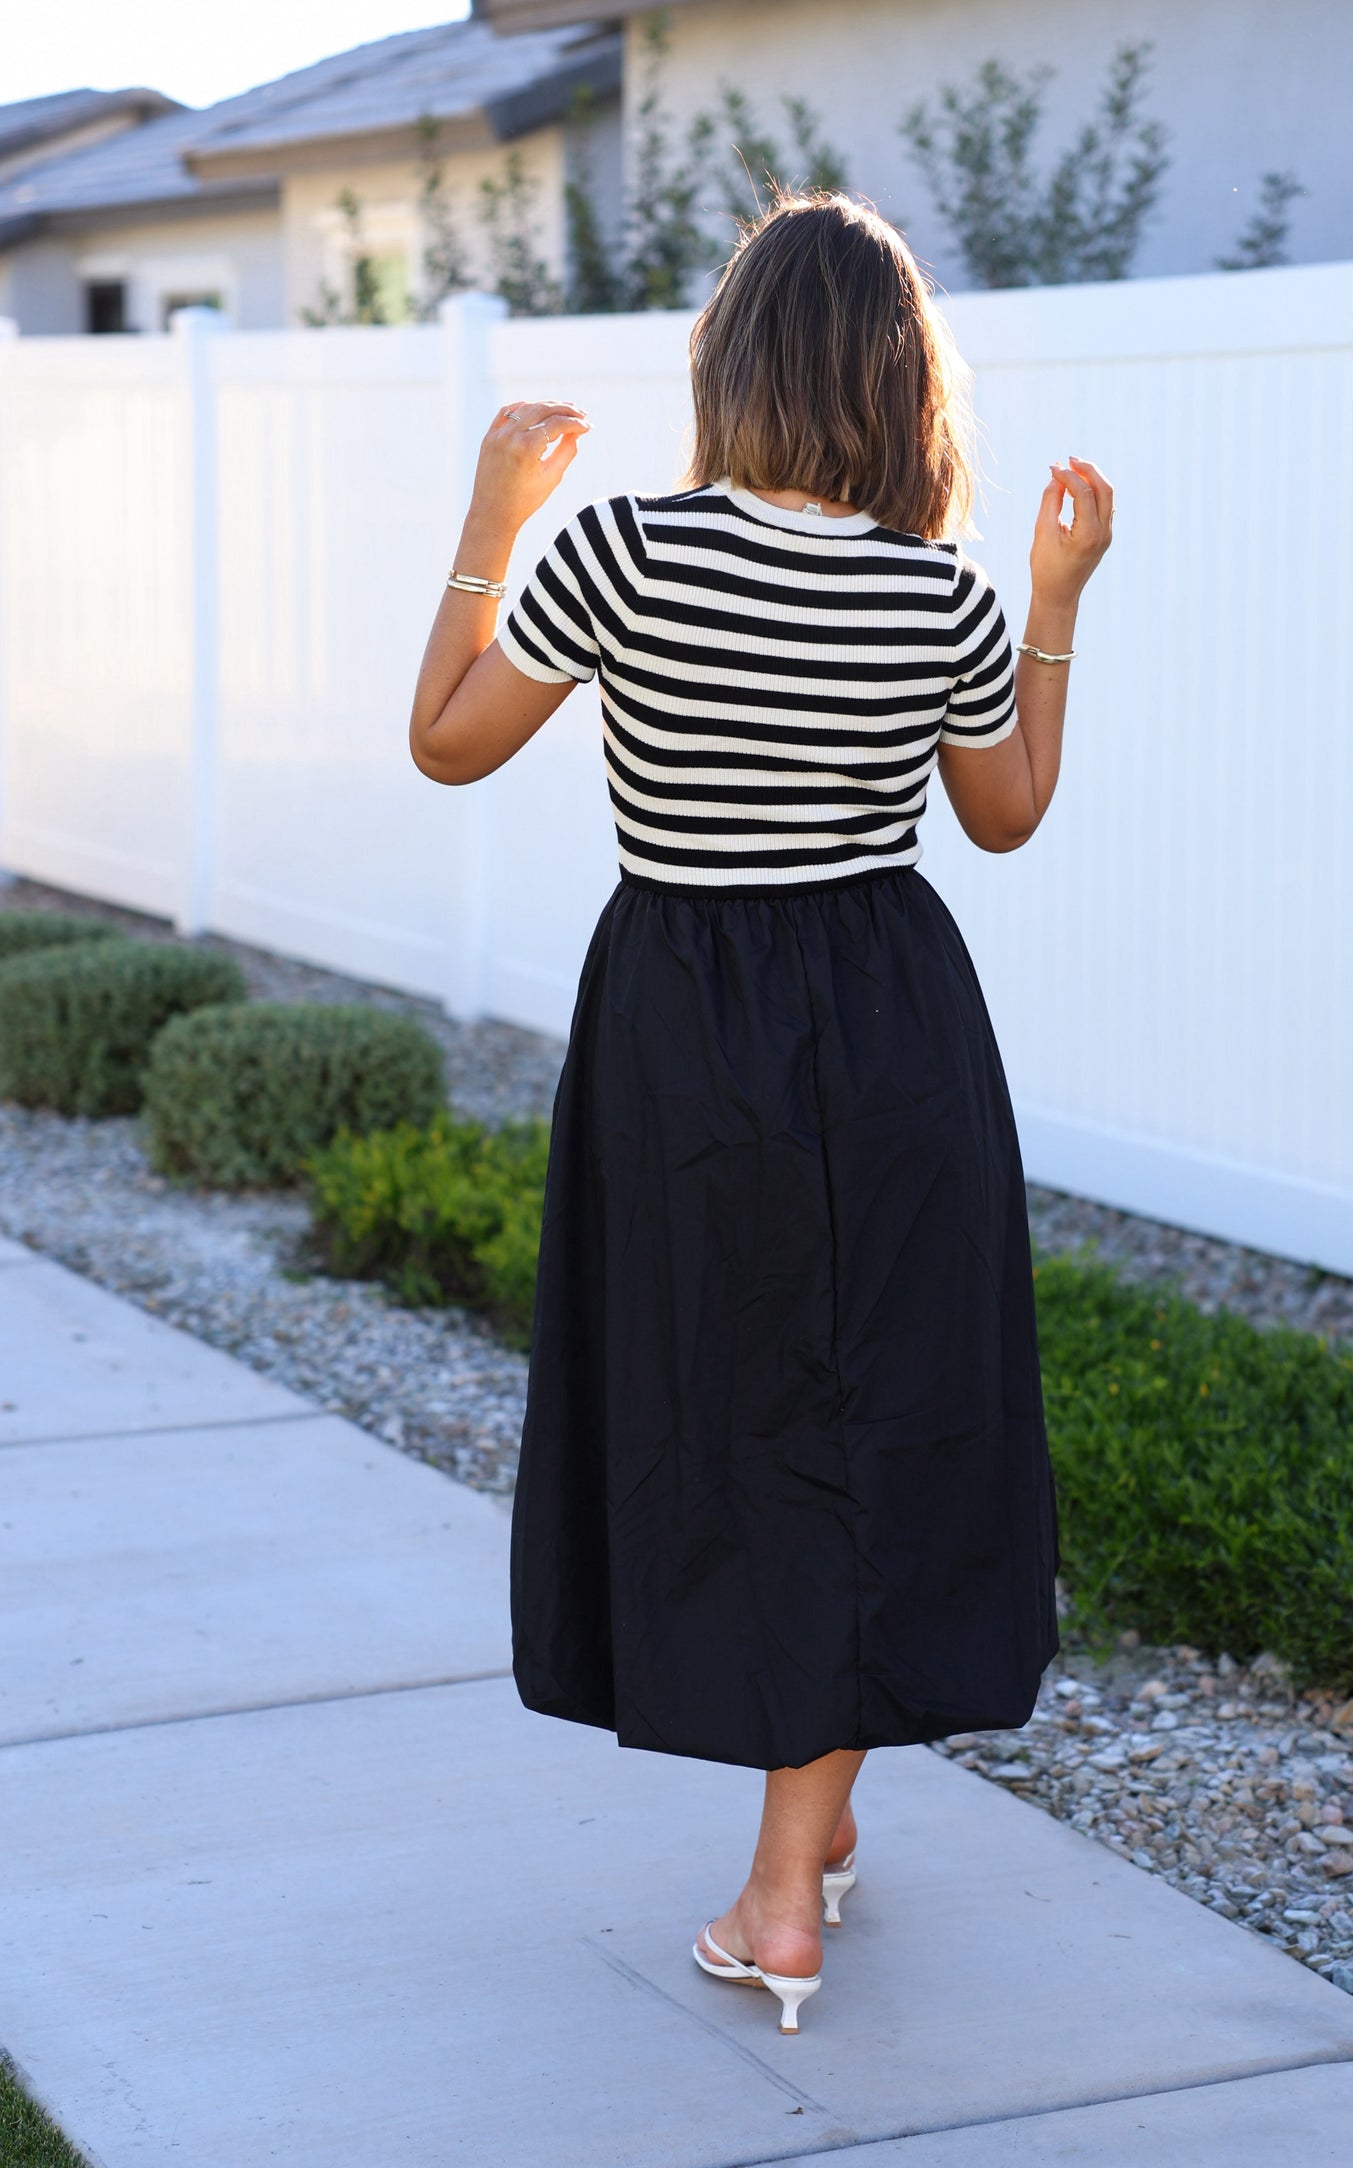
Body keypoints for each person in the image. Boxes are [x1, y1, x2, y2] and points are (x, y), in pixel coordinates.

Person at [409, 192, 1112, 2035]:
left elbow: (448, 741)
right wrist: (1053, 601)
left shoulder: (626, 554)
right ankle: (816, 1823)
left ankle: (782, 1891)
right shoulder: (933, 588)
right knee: (879, 1408)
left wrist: (490, 521)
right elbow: (1005, 815)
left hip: (685, 1034)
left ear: (730, 364)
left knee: (728, 1414)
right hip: (893, 1024)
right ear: (899, 384)